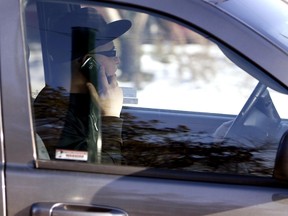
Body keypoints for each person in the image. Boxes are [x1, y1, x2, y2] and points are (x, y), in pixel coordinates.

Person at [33, 7, 132, 164]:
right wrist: (110, 116)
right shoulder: (53, 116)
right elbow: (95, 178)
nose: (117, 60)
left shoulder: (80, 102)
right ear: (88, 62)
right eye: (112, 54)